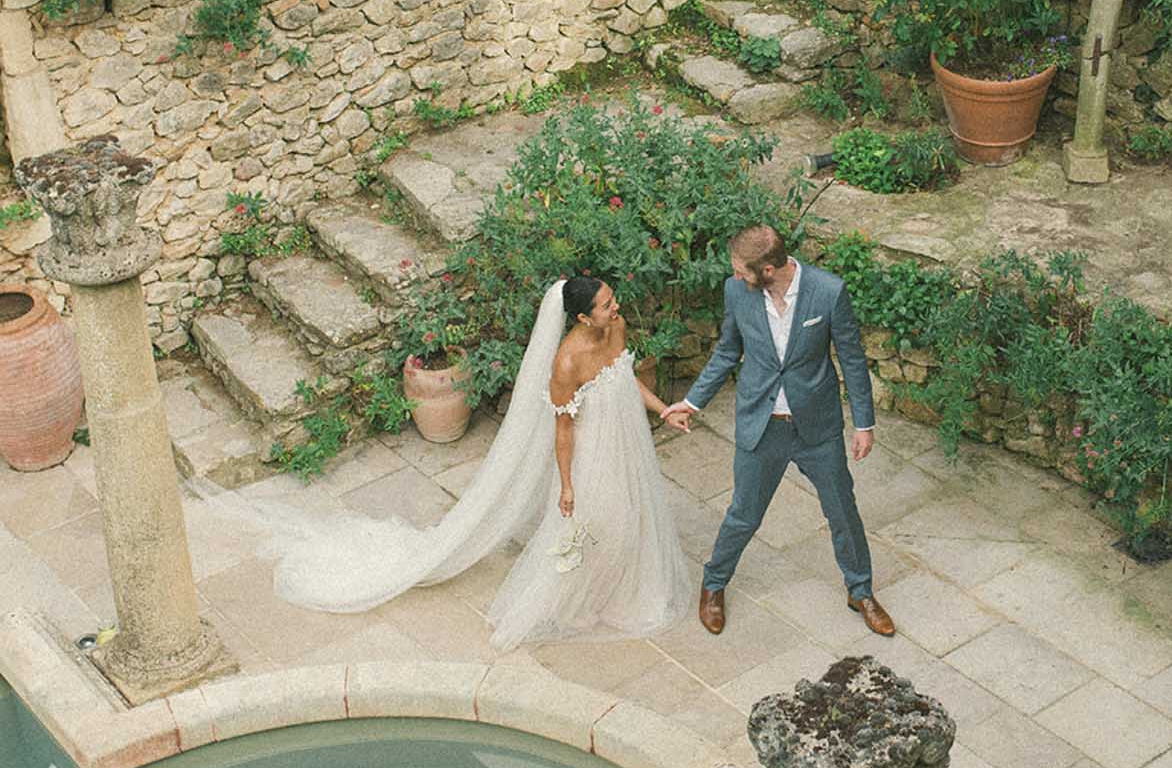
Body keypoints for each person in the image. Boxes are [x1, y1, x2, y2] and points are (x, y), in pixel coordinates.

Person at [231, 275, 692, 650]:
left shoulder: (617, 328)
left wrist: (662, 409)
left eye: (612, 300)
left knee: (628, 514)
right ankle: (575, 600)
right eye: (606, 304)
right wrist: (567, 484)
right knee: (595, 521)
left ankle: (614, 591)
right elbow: (564, 428)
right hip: (590, 447)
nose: (615, 308)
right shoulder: (566, 362)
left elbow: (624, 378)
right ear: (580, 316)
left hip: (624, 435)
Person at [661, 225, 895, 638]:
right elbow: (728, 351)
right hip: (761, 425)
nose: (734, 277)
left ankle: (860, 591)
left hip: (816, 427)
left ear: (768, 269)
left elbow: (853, 360)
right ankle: (714, 584)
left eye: (740, 271)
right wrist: (693, 401)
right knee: (744, 515)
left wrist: (864, 424)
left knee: (842, 511)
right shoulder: (737, 293)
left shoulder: (828, 291)